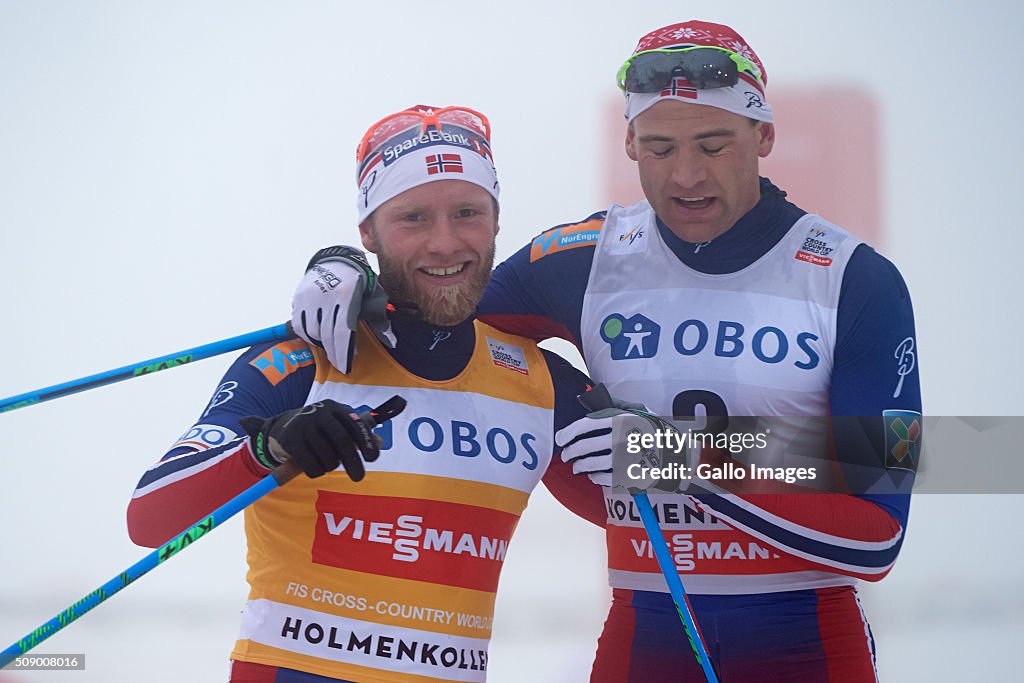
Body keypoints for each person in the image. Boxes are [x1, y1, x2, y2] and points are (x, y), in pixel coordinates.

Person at [292, 20, 922, 682]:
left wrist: (678, 459)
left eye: (713, 145)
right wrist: (341, 266)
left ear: (763, 136)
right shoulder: (585, 258)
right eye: (658, 147)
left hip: (807, 642)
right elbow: (436, 317)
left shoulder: (858, 279)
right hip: (644, 632)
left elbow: (880, 532)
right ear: (629, 143)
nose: (686, 175)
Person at [126, 104, 598, 683]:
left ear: (497, 219)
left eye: (467, 212)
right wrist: (271, 446)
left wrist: (668, 446)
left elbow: (697, 489)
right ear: (368, 232)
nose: (445, 243)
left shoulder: (538, 380)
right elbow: (149, 518)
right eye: (413, 218)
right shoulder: (303, 360)